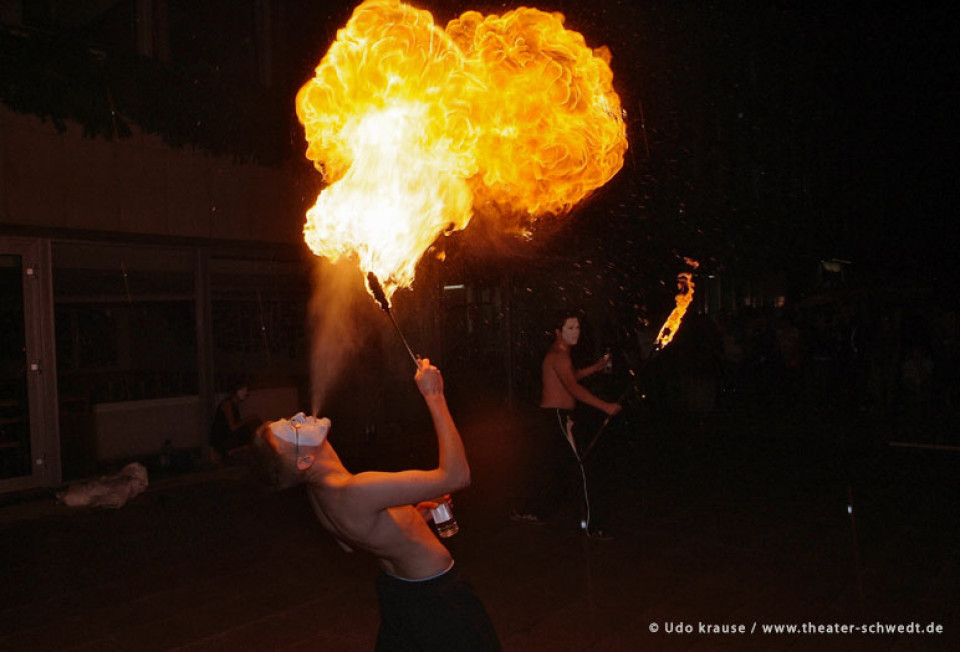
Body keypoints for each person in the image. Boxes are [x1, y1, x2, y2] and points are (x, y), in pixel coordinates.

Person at [249, 359, 500, 651]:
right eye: (293, 426)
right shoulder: (357, 490)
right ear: (305, 461)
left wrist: (412, 518)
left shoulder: (319, 495)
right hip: (438, 598)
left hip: (398, 594)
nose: (299, 415)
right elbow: (457, 476)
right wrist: (434, 396)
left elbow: (353, 539)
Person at [512, 311, 621, 538]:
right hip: (557, 417)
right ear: (558, 332)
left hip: (554, 418)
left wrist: (595, 368)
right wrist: (606, 406)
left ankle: (530, 510)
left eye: (577, 327)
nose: (576, 332)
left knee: (555, 467)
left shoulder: (561, 354)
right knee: (581, 467)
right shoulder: (560, 356)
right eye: (570, 328)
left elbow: (571, 377)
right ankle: (592, 527)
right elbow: (573, 388)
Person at [210, 383, 261, 463]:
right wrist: (248, 419)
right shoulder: (228, 404)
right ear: (235, 392)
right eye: (242, 390)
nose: (245, 392)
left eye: (246, 390)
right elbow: (233, 427)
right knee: (248, 427)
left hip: (227, 434)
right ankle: (228, 452)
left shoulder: (235, 404)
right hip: (221, 437)